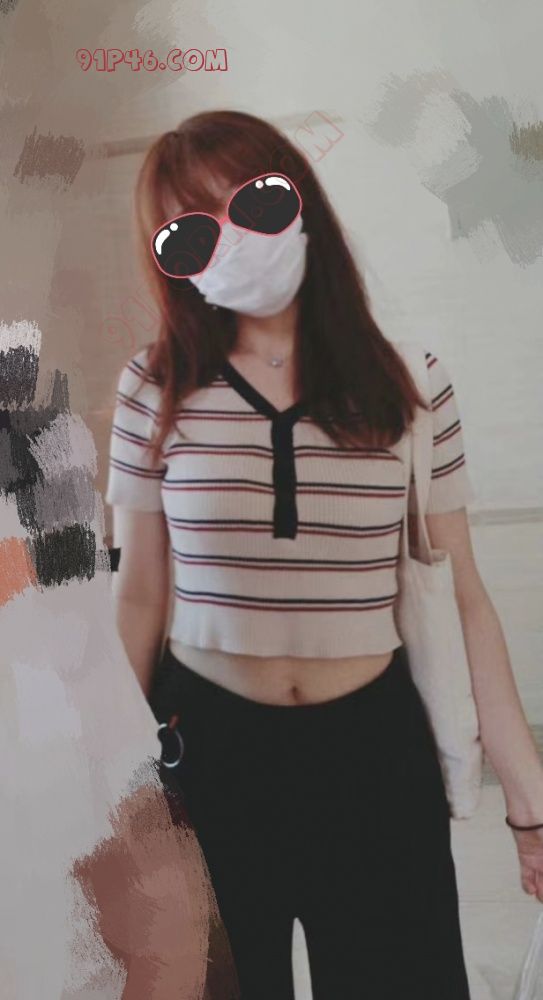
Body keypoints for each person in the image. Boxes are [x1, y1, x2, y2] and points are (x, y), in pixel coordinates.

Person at [105, 109, 543, 1000]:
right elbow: (139, 596)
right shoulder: (153, 386)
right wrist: (106, 789)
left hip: (372, 755)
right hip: (208, 754)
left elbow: (463, 594)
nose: (233, 239)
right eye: (191, 233)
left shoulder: (410, 383)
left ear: (301, 200)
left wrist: (528, 796)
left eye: (255, 203)